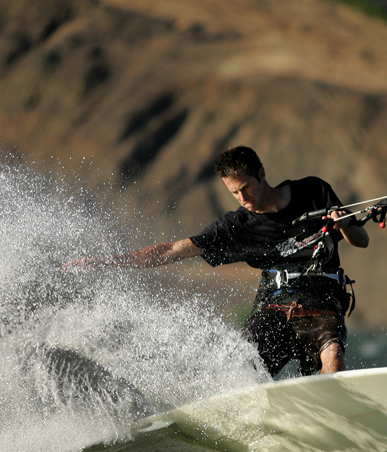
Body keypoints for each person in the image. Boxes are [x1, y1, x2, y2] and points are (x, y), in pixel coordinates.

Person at [64, 146, 369, 376]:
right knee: (240, 366)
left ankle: (337, 409)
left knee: (333, 354)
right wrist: (107, 262)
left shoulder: (313, 191)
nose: (242, 198)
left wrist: (344, 226)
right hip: (275, 305)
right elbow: (173, 249)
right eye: (234, 192)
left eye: (246, 188)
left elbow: (361, 239)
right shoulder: (237, 225)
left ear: (261, 174)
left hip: (322, 298)